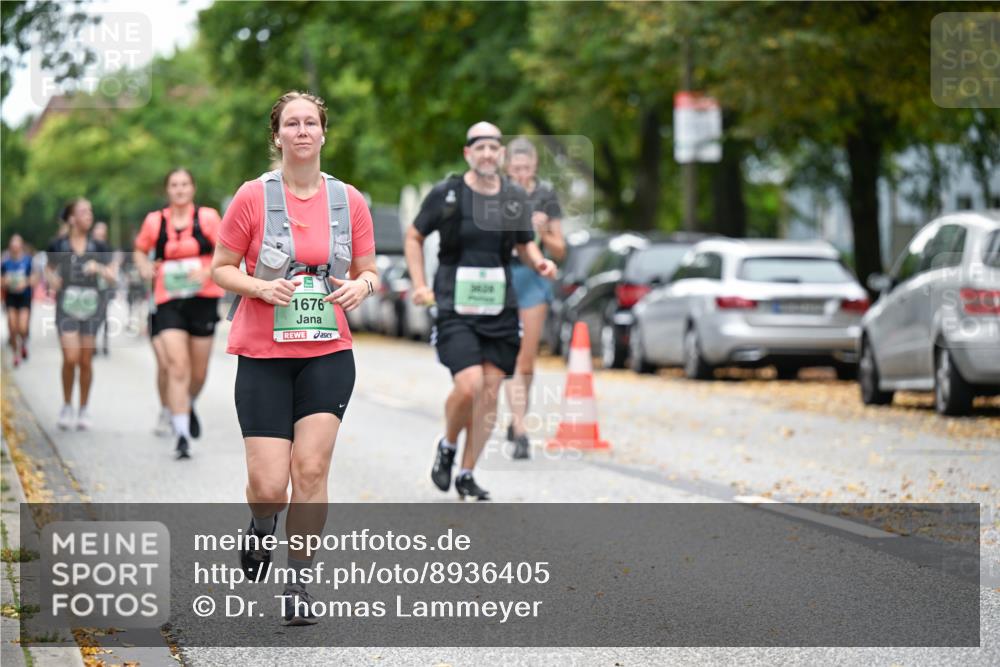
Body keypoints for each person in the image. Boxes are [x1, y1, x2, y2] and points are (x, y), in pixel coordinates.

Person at [211, 91, 377, 625]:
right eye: (292, 123)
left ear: (324, 134)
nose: (303, 131)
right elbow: (221, 267)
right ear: (277, 135)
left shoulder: (348, 200)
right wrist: (260, 288)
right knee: (268, 487)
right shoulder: (252, 197)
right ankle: (262, 525)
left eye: (311, 123)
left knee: (310, 469)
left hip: (327, 352)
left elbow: (370, 269)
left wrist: (363, 287)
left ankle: (299, 581)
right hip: (263, 353)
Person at [405, 122, 556, 501]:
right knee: (469, 384)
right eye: (480, 147)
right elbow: (414, 236)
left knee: (490, 393)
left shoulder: (513, 197)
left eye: (494, 147)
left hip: (499, 307)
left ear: (501, 154)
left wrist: (540, 263)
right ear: (467, 153)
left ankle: (467, 472)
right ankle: (448, 444)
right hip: (455, 304)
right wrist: (420, 283)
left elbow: (525, 244)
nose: (488, 153)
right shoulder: (448, 194)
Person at [134, 169, 225, 459]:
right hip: (168, 300)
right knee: (177, 366)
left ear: (193, 189)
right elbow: (139, 250)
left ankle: (185, 403)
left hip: (203, 299)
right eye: (174, 185)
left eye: (185, 184)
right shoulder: (155, 221)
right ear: (167, 190)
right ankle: (182, 434)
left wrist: (208, 269)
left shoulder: (208, 218)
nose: (180, 189)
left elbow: (228, 251)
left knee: (197, 373)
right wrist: (143, 266)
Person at [503, 137, 565, 459]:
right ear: (507, 167)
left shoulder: (545, 196)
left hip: (533, 279)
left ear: (535, 167)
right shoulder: (496, 193)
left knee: (526, 359)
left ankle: (519, 423)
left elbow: (560, 249)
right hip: (502, 276)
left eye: (527, 168)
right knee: (506, 355)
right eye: (516, 168)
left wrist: (542, 233)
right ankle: (517, 422)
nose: (522, 174)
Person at [45, 199, 116, 430]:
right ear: (72, 218)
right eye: (83, 212)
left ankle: (83, 409)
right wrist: (52, 279)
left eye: (90, 211)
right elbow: (48, 269)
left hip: (92, 308)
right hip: (66, 306)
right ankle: (67, 405)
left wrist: (99, 268)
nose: (89, 215)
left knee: (85, 361)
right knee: (70, 357)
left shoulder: (100, 246)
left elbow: (113, 276)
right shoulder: (58, 244)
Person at [2, 234, 35, 367]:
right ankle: (16, 354)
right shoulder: (5, 263)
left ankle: (23, 344)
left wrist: (25, 282)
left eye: (17, 244)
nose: (15, 247)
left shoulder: (28, 261)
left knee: (22, 327)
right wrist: (5, 281)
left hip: (24, 297)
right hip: (10, 297)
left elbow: (35, 279)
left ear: (21, 246)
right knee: (12, 327)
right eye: (13, 244)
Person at [91, 221, 114, 356]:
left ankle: (105, 343)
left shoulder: (107, 248)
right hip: (91, 288)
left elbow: (111, 268)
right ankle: (92, 343)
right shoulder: (89, 245)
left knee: (103, 316)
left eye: (102, 229)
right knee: (93, 316)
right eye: (98, 229)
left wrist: (102, 270)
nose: (100, 232)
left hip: (104, 286)